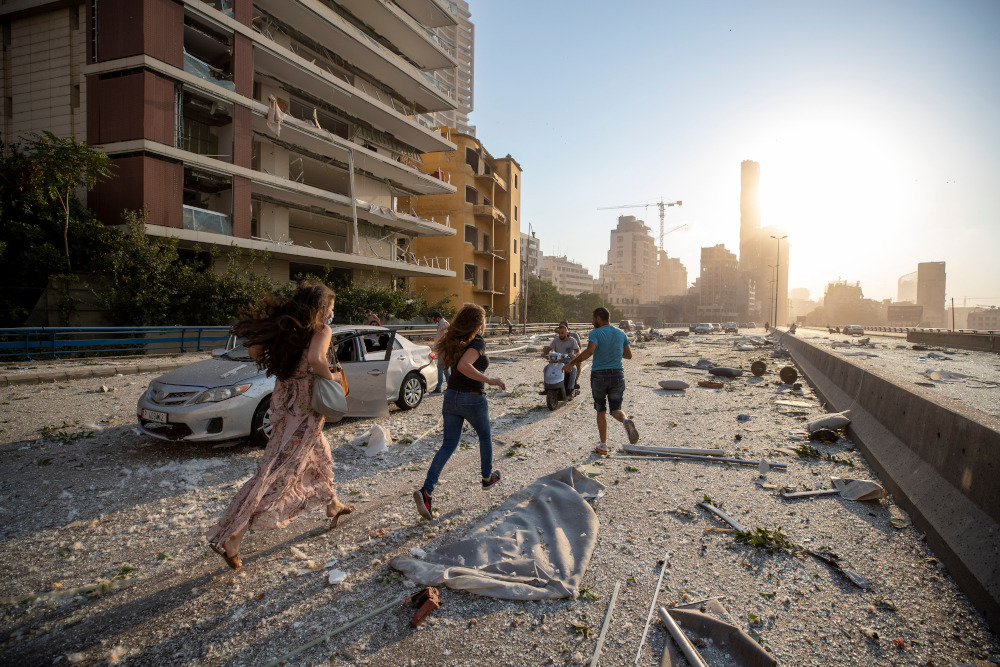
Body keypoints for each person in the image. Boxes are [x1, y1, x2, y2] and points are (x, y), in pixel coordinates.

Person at [206, 282, 353, 570]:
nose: (331, 316)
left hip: (285, 405)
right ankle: (233, 535)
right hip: (305, 411)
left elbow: (253, 351)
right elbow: (315, 359)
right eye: (331, 310)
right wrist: (330, 377)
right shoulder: (321, 331)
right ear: (321, 309)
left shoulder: (290, 331)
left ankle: (332, 503)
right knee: (277, 473)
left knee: (319, 456)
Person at [414, 304, 505, 519]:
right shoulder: (477, 342)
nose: (485, 324)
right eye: (483, 320)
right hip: (472, 398)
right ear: (477, 322)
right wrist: (490, 380)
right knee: (485, 437)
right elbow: (465, 366)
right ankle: (486, 478)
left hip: (451, 397)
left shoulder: (456, 341)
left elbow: (455, 366)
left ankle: (426, 491)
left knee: (448, 445)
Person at [563, 306, 639, 455]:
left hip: (599, 375)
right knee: (616, 408)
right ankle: (624, 421)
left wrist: (571, 364)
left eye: (593, 319)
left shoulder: (596, 332)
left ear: (598, 318)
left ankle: (603, 445)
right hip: (617, 374)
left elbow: (590, 351)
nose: (592, 322)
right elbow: (628, 355)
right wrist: (613, 352)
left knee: (601, 410)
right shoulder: (620, 333)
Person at [540, 324, 581, 397]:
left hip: (568, 361)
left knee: (574, 369)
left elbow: (578, 351)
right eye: (559, 333)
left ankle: (570, 389)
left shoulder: (572, 340)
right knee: (546, 369)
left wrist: (574, 355)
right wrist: (544, 354)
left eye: (562, 333)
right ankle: (546, 387)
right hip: (557, 361)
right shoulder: (556, 340)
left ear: (567, 333)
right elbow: (548, 349)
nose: (560, 335)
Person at [431, 311, 450, 393]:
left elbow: (442, 337)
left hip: (444, 349)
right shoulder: (442, 323)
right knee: (445, 369)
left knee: (441, 369)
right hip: (443, 348)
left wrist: (435, 346)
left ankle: (438, 388)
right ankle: (450, 387)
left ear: (438, 317)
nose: (434, 320)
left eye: (434, 318)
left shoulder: (443, 324)